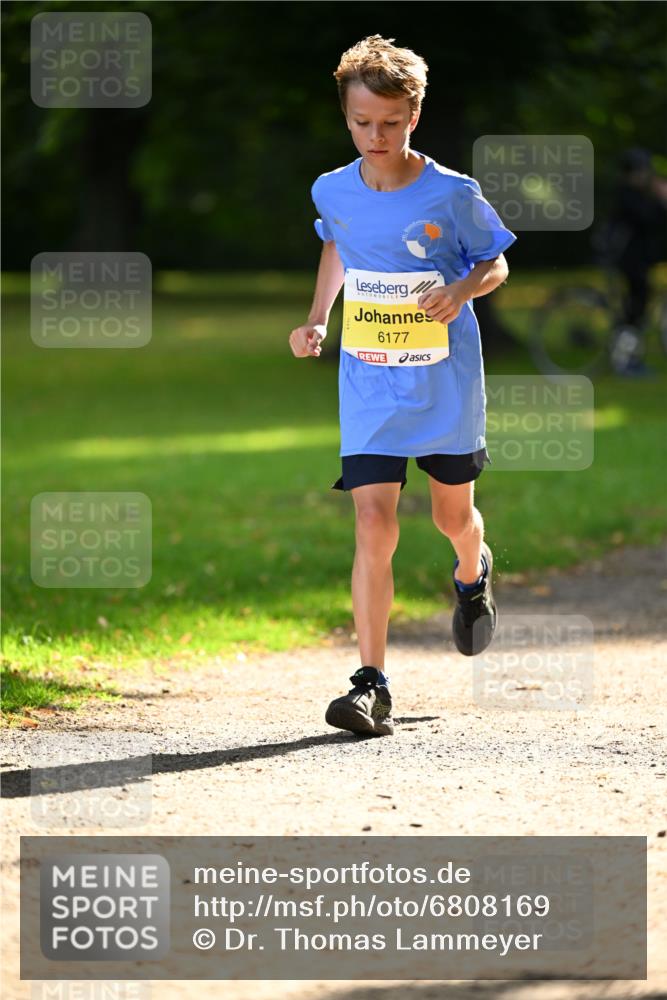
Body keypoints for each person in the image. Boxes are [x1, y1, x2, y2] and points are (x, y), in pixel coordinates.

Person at [289, 35, 516, 737]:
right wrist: (316, 319)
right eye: (361, 123)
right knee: (371, 521)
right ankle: (369, 683)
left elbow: (496, 265)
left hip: (442, 380)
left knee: (451, 518)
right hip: (369, 381)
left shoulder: (452, 193)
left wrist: (460, 288)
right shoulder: (332, 187)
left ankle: (470, 569)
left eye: (388, 123)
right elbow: (336, 243)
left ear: (413, 115)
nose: (374, 136)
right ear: (346, 116)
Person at [606, 148, 667, 375]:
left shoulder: (636, 193)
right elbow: (647, 218)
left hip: (637, 260)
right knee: (633, 311)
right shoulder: (627, 194)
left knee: (635, 309)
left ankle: (629, 356)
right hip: (628, 261)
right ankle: (625, 360)